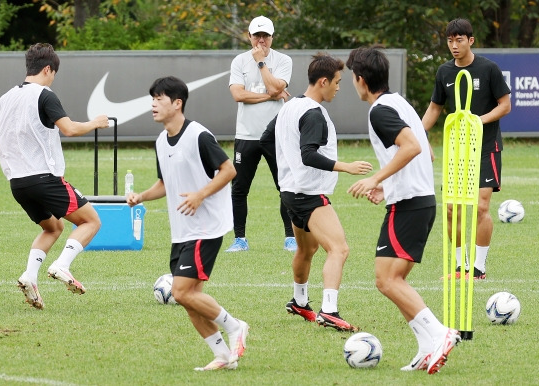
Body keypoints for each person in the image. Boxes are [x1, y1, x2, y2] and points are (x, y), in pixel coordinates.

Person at [346, 45, 460, 374]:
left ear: (361, 80)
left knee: (386, 280)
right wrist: (387, 186)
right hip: (416, 201)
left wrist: (375, 179)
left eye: (353, 78)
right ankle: (427, 346)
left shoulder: (380, 110)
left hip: (410, 206)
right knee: (395, 282)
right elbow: (425, 151)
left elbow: (410, 147)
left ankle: (440, 334)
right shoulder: (399, 104)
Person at [126, 76, 249, 371]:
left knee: (181, 292)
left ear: (177, 103)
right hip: (182, 230)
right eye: (152, 99)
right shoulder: (160, 141)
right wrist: (141, 196)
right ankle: (223, 357)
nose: (153, 104)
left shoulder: (198, 135)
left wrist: (200, 195)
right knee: (190, 299)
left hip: (205, 227)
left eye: (159, 98)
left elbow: (229, 170)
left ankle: (236, 327)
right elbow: (164, 183)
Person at [0, 43, 109, 310]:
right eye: (54, 73)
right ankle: (62, 265)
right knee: (92, 221)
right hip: (44, 179)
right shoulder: (45, 95)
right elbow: (69, 129)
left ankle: (30, 276)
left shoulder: (6, 97)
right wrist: (96, 122)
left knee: (53, 228)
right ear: (48, 69)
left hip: (18, 183)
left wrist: (14, 153)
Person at [274, 53, 373, 332]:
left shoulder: (291, 105)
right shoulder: (312, 113)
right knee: (339, 249)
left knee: (307, 249)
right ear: (323, 81)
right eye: (337, 82)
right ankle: (329, 310)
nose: (339, 88)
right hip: (308, 193)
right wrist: (346, 167)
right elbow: (308, 154)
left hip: (290, 192)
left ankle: (299, 301)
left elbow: (273, 136)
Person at [422, 18, 511, 280]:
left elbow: (505, 105)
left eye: (459, 40)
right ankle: (462, 267)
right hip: (457, 151)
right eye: (450, 40)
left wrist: (478, 122)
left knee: (481, 207)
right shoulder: (444, 72)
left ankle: (479, 268)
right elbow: (434, 108)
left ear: (471, 41)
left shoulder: (489, 69)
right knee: (452, 209)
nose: (454, 45)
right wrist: (418, 135)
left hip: (486, 147)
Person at [227, 15, 296, 252]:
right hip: (246, 135)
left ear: (272, 37)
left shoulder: (283, 60)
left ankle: (290, 237)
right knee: (239, 188)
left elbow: (278, 86)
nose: (261, 41)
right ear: (249, 36)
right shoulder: (238, 61)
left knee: (285, 185)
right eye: (257, 35)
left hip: (277, 134)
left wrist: (261, 64)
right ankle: (239, 239)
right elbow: (238, 95)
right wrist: (270, 95)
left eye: (265, 36)